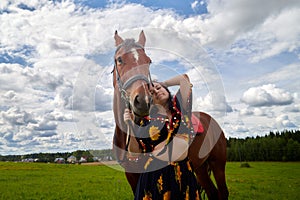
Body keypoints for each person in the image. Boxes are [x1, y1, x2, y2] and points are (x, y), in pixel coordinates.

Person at [124, 74, 200, 200]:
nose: (157, 92)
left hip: (183, 171)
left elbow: (184, 79)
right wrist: (129, 126)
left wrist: (161, 83)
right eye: (152, 93)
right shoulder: (146, 121)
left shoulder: (180, 108)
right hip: (156, 174)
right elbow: (134, 152)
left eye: (159, 89)